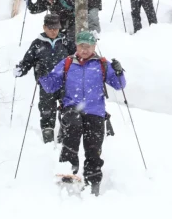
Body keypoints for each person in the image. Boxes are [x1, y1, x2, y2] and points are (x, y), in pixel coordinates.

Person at [39, 31, 126, 196]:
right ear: (76, 46)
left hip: (95, 112)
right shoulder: (68, 63)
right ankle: (67, 171)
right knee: (73, 128)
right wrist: (43, 74)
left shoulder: (101, 64)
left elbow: (119, 85)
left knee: (93, 148)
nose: (84, 50)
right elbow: (50, 86)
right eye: (81, 46)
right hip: (71, 108)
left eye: (88, 46)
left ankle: (93, 181)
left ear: (94, 46)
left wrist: (119, 72)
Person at [13, 14, 76, 143]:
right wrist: (21, 69)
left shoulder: (65, 41)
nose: (53, 31)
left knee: (68, 108)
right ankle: (48, 135)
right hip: (46, 82)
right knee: (47, 109)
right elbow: (28, 61)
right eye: (51, 28)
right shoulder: (37, 44)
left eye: (56, 28)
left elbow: (77, 55)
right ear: (44, 27)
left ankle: (64, 135)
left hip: (65, 81)